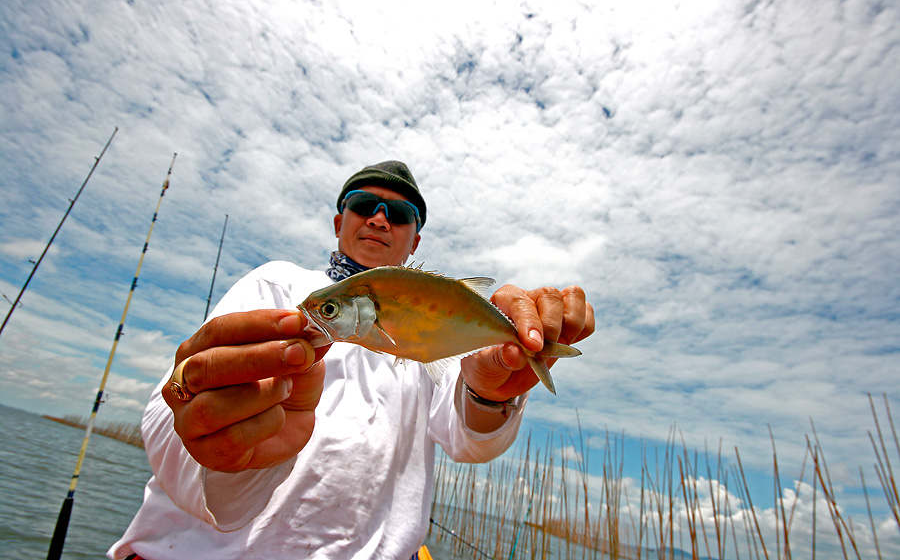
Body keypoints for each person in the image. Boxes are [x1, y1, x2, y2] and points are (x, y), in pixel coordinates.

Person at [110, 161, 595, 560]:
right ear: (340, 220)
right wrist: (215, 436)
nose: (380, 219)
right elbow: (163, 415)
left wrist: (490, 388)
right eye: (364, 206)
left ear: (415, 241)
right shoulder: (276, 286)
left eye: (400, 214)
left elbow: (469, 438)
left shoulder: (440, 330)